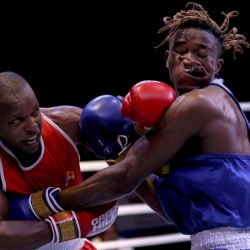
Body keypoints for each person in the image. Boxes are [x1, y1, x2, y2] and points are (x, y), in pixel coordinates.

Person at [54, 2, 250, 249]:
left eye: (201, 53)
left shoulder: (199, 103)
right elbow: (174, 214)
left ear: (218, 65)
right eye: (181, 50)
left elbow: (124, 179)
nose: (189, 58)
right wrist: (119, 153)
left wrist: (47, 202)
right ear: (167, 58)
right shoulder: (215, 104)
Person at [0, 71, 120, 250]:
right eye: (18, 120)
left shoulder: (66, 123)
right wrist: (65, 227)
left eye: (35, 111)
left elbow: (129, 173)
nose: (33, 127)